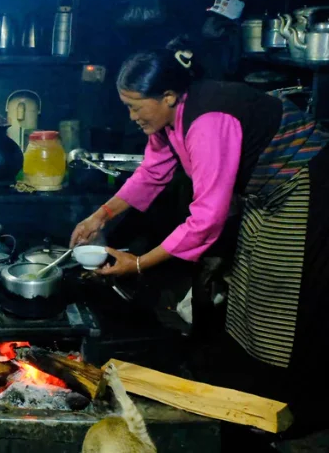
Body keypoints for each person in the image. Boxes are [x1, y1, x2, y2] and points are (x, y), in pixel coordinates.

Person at [69, 39, 329, 431]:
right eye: (127, 106)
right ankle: (258, 396)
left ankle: (302, 409)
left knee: (287, 291)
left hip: (303, 183)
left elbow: (206, 219)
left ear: (169, 96)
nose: (131, 117)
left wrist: (137, 263)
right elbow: (153, 173)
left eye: (136, 107)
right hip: (265, 191)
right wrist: (100, 216)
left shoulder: (207, 122)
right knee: (249, 288)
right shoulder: (169, 121)